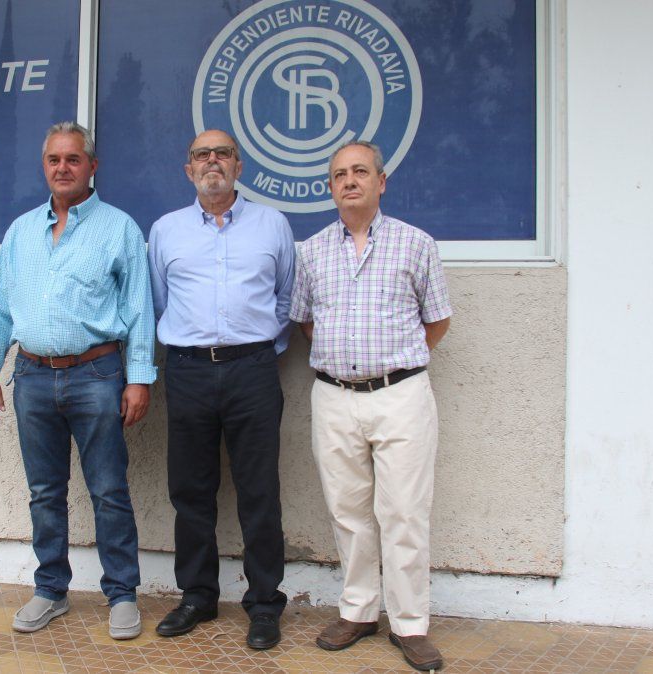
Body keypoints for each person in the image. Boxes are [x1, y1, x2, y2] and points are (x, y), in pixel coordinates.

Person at [0, 121, 155, 641]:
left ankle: (122, 594)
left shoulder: (119, 228)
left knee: (109, 490)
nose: (63, 168)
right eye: (54, 159)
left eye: (74, 159)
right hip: (31, 376)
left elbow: (140, 310)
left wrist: (139, 379)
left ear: (92, 166)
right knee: (44, 492)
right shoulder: (21, 231)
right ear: (44, 166)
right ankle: (50, 589)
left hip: (97, 375)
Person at [289, 141, 451, 671]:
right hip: (334, 397)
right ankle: (358, 611)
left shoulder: (416, 244)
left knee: (404, 512)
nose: (350, 181)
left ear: (381, 182)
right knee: (348, 511)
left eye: (360, 171)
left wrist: (393, 363)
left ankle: (411, 624)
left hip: (401, 395)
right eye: (340, 175)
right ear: (330, 187)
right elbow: (305, 320)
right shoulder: (312, 251)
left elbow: (438, 320)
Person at [147, 129, 295, 650]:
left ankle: (264, 603)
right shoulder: (165, 230)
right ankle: (197, 596)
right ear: (189, 169)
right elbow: (159, 303)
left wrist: (257, 351)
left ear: (239, 166)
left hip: (253, 370)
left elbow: (286, 299)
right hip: (188, 371)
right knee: (190, 490)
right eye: (202, 155)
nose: (213, 161)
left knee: (259, 491)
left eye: (223, 153)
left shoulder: (272, 224)